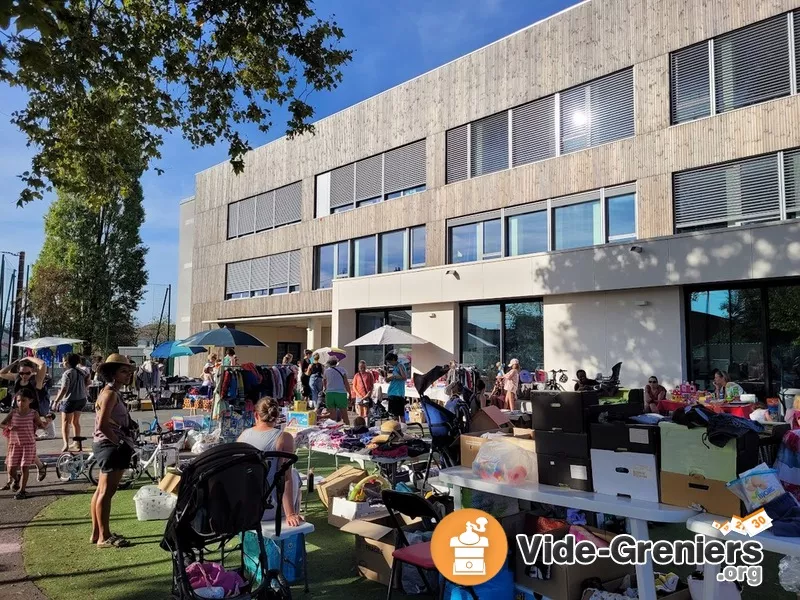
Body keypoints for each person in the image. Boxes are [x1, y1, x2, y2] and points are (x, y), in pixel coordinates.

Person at [91, 354, 136, 548]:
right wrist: (119, 443)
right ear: (113, 373)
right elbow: (102, 425)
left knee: (101, 491)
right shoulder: (109, 393)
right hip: (110, 446)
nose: (127, 375)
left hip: (107, 445)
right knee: (106, 493)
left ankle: (97, 533)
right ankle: (104, 536)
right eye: (123, 371)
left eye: (128, 371)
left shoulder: (110, 392)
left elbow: (109, 420)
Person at [238, 398, 303, 527]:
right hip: (272, 509)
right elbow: (285, 478)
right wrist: (290, 514)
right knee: (294, 474)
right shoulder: (284, 438)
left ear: (256, 415)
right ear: (277, 416)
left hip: (247, 509)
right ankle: (292, 512)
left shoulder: (243, 436)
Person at [0, 357, 50, 480]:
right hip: (15, 415)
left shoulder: (35, 380)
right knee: (12, 446)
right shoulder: (17, 378)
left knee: (25, 445)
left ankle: (38, 466)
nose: (24, 376)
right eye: (22, 373)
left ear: (32, 371)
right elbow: (2, 373)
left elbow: (42, 364)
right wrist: (15, 363)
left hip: (30, 417)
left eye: (27, 373)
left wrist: (28, 357)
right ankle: (11, 479)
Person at [1, 388, 52, 499]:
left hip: (28, 444)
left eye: (24, 400)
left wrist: (45, 424)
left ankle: (22, 490)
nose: (21, 403)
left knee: (25, 467)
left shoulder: (33, 413)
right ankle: (17, 478)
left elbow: (40, 425)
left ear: (30, 401)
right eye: (18, 400)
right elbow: (2, 424)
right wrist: (9, 427)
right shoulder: (13, 412)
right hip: (15, 444)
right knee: (11, 469)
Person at [52, 353, 89, 452]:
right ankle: (77, 442)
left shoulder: (67, 373)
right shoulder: (82, 371)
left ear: (67, 362)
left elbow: (64, 389)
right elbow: (88, 381)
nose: (63, 362)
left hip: (70, 400)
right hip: (81, 398)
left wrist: (56, 401)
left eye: (64, 360)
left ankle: (66, 444)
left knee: (65, 422)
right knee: (75, 421)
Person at [323, 358, 351, 425]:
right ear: (336, 363)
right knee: (345, 415)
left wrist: (326, 389)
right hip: (341, 393)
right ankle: (348, 429)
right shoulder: (342, 370)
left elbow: (324, 382)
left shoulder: (326, 371)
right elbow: (346, 383)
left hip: (330, 393)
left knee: (332, 416)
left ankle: (333, 431)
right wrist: (349, 393)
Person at [385, 353, 408, 422]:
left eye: (390, 362)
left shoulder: (400, 365)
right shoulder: (395, 367)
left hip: (397, 393)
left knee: (399, 415)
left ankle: (400, 429)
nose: (389, 364)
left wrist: (393, 377)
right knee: (395, 414)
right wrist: (388, 378)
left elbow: (404, 377)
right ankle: (398, 428)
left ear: (393, 359)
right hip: (393, 392)